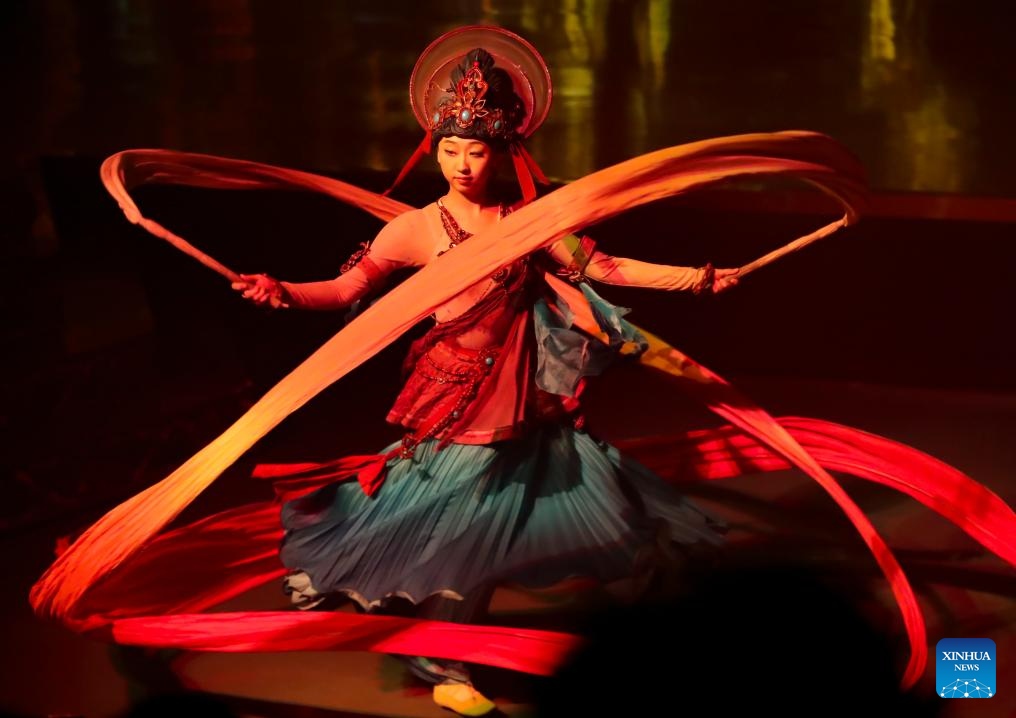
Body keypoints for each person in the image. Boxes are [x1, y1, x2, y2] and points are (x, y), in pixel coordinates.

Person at [230, 35, 738, 716]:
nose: (462, 164)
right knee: (464, 533)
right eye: (449, 150)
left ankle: (655, 644)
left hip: (527, 398)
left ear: (501, 154)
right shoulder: (413, 229)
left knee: (615, 509)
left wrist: (698, 279)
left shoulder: (528, 223)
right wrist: (283, 291)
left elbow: (604, 269)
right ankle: (443, 659)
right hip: (454, 402)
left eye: (475, 151)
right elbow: (345, 289)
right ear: (433, 149)